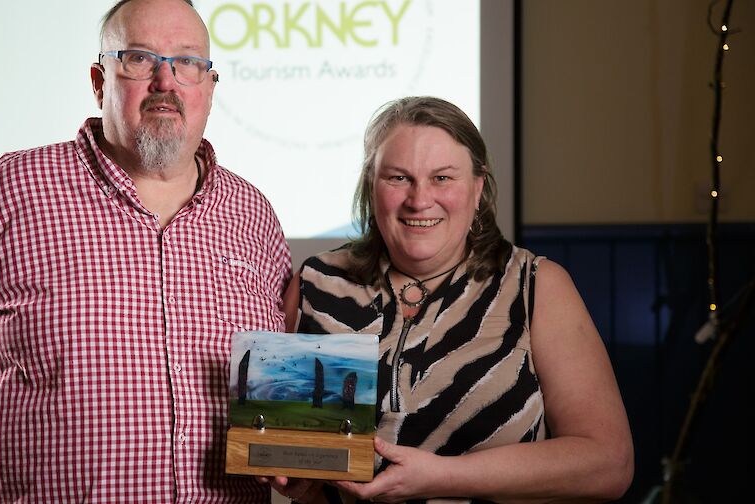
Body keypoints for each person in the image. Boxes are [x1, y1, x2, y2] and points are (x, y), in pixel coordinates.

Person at [0, 0, 290, 502]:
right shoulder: (11, 190)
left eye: (187, 61)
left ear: (209, 88)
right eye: (139, 58)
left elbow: (278, 397)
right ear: (100, 81)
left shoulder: (254, 215)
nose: (166, 81)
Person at [266, 96, 633, 503]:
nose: (419, 200)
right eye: (398, 177)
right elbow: (296, 458)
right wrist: (300, 481)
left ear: (478, 188)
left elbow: (609, 464)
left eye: (442, 178)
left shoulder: (536, 285)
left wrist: (442, 476)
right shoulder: (318, 282)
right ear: (372, 185)